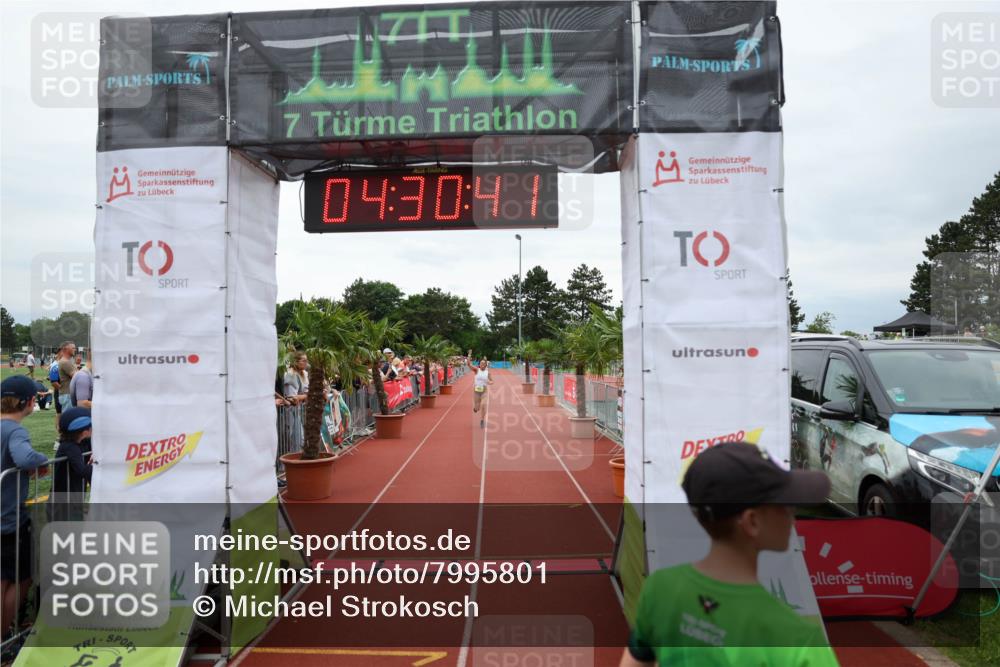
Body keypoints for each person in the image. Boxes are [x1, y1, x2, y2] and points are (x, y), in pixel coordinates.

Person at [620, 442, 839, 667]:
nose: (792, 512)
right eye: (784, 503)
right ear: (752, 521)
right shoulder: (799, 640)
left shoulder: (659, 588)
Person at [1, 376, 49, 635]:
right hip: (8, 519)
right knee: (21, 577)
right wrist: (41, 461)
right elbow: (24, 456)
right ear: (29, 402)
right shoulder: (16, 430)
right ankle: (3, 639)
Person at [49, 407, 93, 522]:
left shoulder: (84, 442)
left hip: (75, 498)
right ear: (84, 432)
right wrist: (99, 469)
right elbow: (82, 470)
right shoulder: (69, 446)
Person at [467, 350, 492, 428]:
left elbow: (492, 381)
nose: (482, 364)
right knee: (477, 407)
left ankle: (482, 420)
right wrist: (469, 355)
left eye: (484, 363)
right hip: (476, 391)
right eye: (481, 363)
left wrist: (489, 382)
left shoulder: (488, 372)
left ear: (485, 365)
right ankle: (475, 408)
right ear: (479, 364)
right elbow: (468, 364)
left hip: (484, 391)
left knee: (484, 405)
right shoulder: (476, 370)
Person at [56, 341, 77, 412]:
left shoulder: (67, 361)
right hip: (67, 394)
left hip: (66, 394)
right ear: (66, 349)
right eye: (73, 348)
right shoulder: (65, 362)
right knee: (69, 419)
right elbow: (77, 377)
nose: (75, 349)